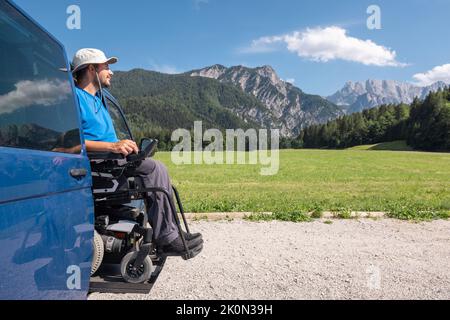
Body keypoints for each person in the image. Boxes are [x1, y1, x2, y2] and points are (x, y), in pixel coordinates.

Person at [71, 48, 202, 256]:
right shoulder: (74, 98)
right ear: (90, 69)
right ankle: (167, 238)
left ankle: (172, 232)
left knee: (156, 169)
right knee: (154, 169)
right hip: (99, 168)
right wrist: (113, 147)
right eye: (106, 66)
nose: (110, 71)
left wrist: (126, 147)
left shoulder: (99, 100)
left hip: (112, 163)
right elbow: (69, 144)